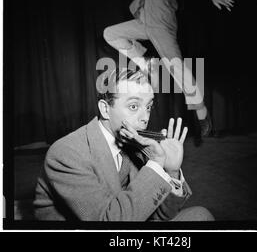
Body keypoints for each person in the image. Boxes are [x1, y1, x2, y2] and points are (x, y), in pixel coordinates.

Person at [34, 68, 214, 221]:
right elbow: (107, 220)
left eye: (149, 107)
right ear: (105, 109)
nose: (145, 118)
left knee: (201, 215)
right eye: (134, 106)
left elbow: (160, 216)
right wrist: (156, 165)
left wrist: (171, 171)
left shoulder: (135, 144)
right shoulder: (66, 153)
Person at [103, 0, 234, 139]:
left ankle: (202, 113)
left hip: (162, 25)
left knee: (177, 68)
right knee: (110, 33)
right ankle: (145, 62)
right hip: (144, 19)